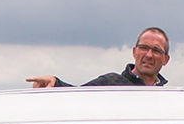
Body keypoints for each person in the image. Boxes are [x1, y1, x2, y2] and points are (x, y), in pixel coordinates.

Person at [26, 27, 170, 88]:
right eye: (144, 48)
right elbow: (78, 97)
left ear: (165, 59)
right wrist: (55, 83)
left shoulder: (168, 96)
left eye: (156, 50)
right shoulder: (111, 83)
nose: (149, 55)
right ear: (134, 52)